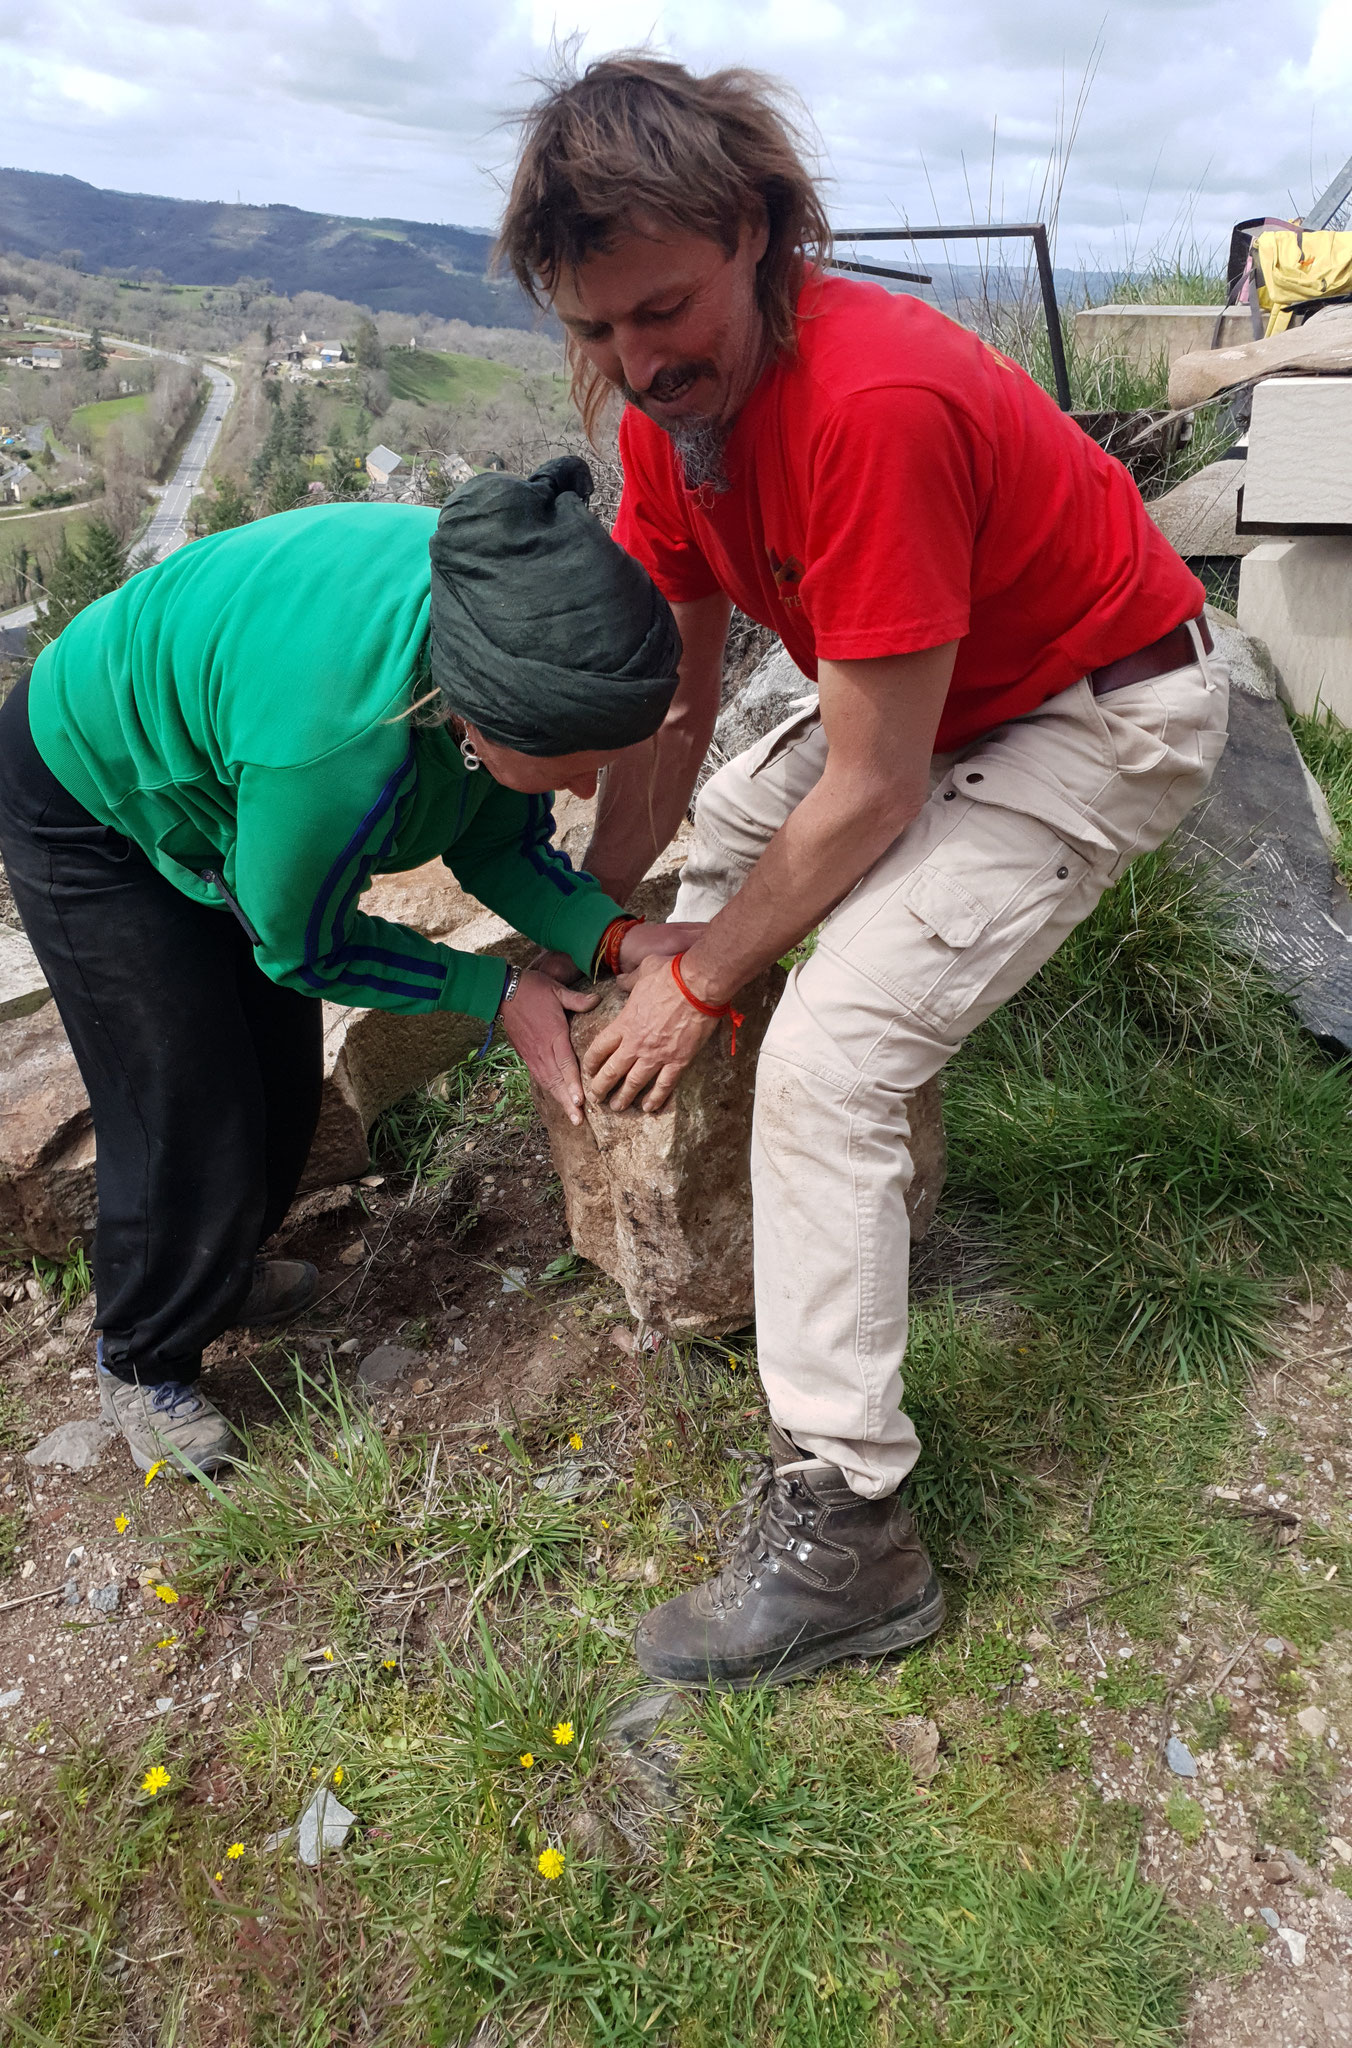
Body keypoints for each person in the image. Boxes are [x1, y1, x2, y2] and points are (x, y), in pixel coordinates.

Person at [497, 59, 1228, 1687]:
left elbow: (879, 782)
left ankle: (852, 1527)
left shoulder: (867, 403)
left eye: (667, 310)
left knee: (824, 1046)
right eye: (601, 330)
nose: (641, 360)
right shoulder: (672, 415)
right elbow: (675, 700)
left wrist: (698, 975)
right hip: (949, 689)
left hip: (1096, 705)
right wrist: (590, 919)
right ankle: (820, 1226)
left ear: (755, 230)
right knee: (734, 873)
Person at [0, 456, 695, 1476]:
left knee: (279, 1082)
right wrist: (494, 990)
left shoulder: (504, 634)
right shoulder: (336, 749)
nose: (588, 784)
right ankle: (141, 1352)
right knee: (183, 1087)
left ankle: (213, 1269)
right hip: (88, 788)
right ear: (478, 720)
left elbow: (497, 840)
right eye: (573, 763)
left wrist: (615, 937)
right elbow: (300, 942)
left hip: (235, 785)